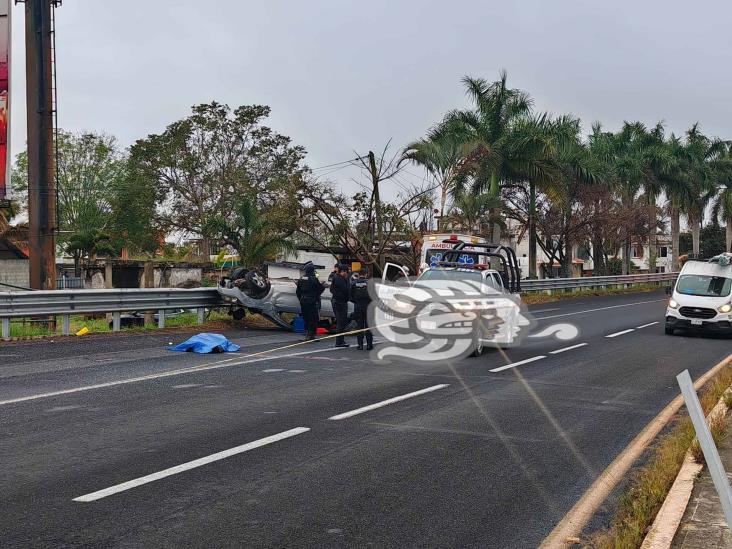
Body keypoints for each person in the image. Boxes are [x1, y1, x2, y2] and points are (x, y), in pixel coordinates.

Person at [295, 263, 325, 340]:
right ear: (312, 271)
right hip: (312, 301)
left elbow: (298, 291)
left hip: (303, 300)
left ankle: (307, 333)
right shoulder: (314, 279)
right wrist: (316, 295)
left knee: (306, 317)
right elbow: (321, 288)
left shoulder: (301, 279)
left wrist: (301, 299)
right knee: (313, 317)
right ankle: (311, 335)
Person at [350, 267, 373, 350]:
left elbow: (350, 296)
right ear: (366, 274)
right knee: (368, 326)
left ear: (359, 275)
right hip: (368, 306)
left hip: (358, 306)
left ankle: (360, 345)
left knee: (359, 326)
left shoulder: (353, 283)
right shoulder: (369, 283)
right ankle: (369, 345)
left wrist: (356, 302)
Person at [330, 264, 351, 347]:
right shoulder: (339, 279)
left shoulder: (339, 278)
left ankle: (340, 340)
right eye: (346, 272)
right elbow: (345, 290)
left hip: (340, 302)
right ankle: (339, 341)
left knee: (342, 322)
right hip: (339, 303)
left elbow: (332, 290)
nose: (347, 274)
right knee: (341, 322)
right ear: (343, 271)